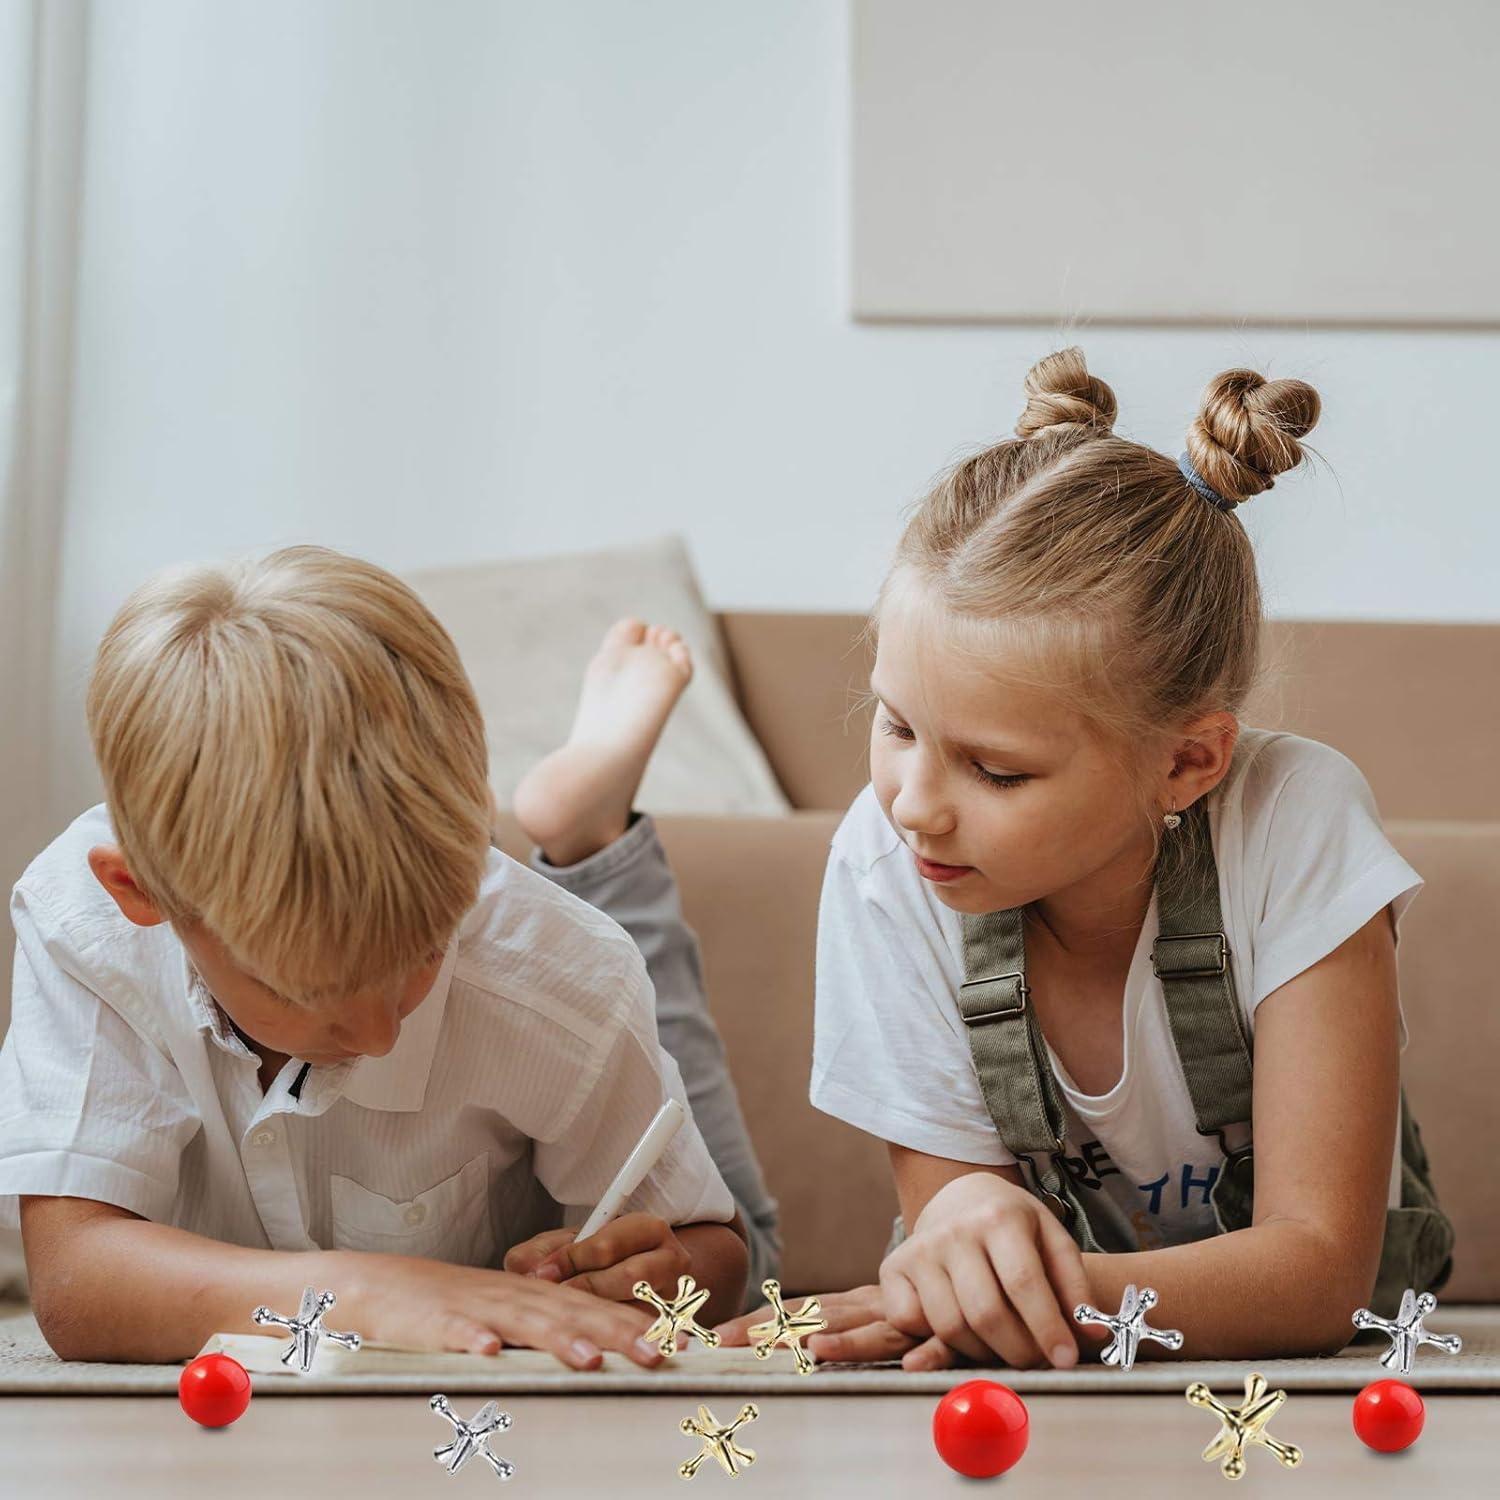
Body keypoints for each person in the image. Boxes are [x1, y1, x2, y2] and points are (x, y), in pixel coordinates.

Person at [720, 348, 1452, 1371]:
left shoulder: (1296, 821)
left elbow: (1318, 1275)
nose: (916, 807)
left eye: (998, 772)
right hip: (1053, 1383)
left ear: (1187, 763)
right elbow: (950, 1224)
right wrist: (968, 1221)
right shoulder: (883, 863)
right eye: (896, 726)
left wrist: (1002, 1298)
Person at [0, 547, 761, 1368]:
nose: (377, 1036)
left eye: (424, 954)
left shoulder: (557, 972)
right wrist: (369, 1292)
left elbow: (714, 1255)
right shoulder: (83, 928)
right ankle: (592, 832)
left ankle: (596, 843)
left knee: (761, 1233)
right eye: (309, 990)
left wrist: (669, 1272)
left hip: (565, 972)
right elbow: (76, 1285)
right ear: (140, 894)